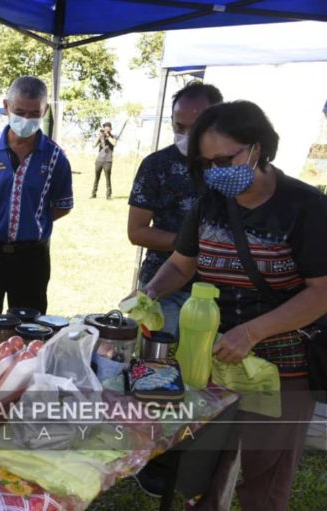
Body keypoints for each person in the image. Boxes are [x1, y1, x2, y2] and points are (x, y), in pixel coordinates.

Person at [140, 100, 327, 511]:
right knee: (201, 471)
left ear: (256, 149)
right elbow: (181, 263)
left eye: (224, 159)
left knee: (265, 477)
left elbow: (321, 292)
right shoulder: (209, 202)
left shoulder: (305, 207)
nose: (215, 172)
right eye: (206, 164)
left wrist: (253, 332)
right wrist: (148, 295)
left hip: (284, 369)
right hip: (218, 358)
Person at [0, 76, 73, 314]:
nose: (26, 120)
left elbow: (63, 205)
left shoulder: (55, 157)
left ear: (45, 110)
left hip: (31, 258)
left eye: (34, 114)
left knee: (29, 330)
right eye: (20, 112)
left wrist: (31, 219)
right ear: (6, 107)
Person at [127, 82, 223, 337]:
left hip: (221, 294)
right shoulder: (156, 165)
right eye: (180, 127)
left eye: (198, 127)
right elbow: (137, 232)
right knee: (157, 364)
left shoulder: (231, 169)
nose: (188, 136)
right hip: (163, 288)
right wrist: (191, 246)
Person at [90, 121, 116, 199]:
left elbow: (114, 143)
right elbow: (94, 145)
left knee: (108, 178)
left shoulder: (113, 137)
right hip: (99, 160)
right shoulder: (101, 136)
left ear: (110, 129)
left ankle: (108, 195)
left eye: (107, 127)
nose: (106, 129)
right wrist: (99, 136)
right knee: (96, 177)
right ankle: (93, 194)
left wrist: (108, 136)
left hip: (108, 160)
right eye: (105, 127)